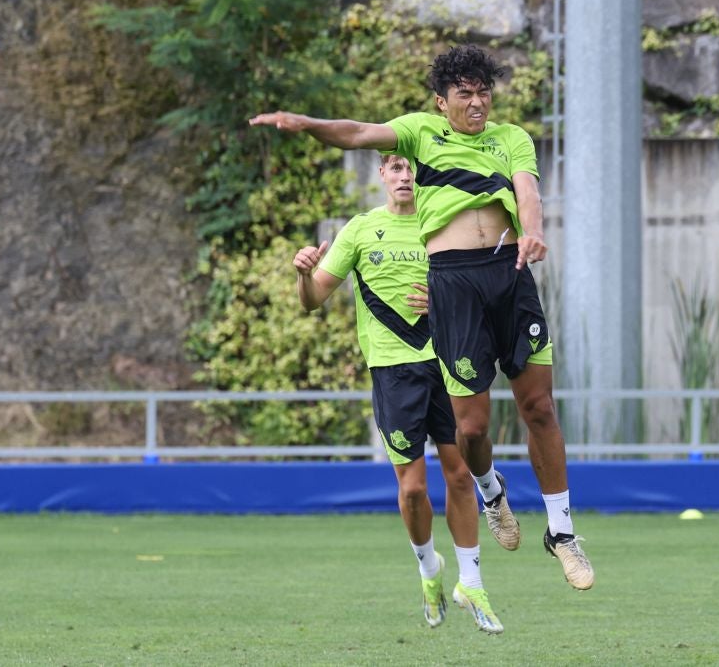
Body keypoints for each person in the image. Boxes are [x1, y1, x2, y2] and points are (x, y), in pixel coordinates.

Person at [250, 44, 594, 593]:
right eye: (466, 93)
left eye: (485, 92)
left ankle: (562, 531)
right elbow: (357, 132)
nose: (478, 102)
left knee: (539, 405)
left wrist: (533, 229)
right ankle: (491, 491)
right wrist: (306, 123)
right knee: (473, 429)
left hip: (509, 272)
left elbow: (527, 191)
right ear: (442, 101)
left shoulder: (511, 139)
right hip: (453, 284)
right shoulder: (419, 133)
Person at [292, 153, 503, 633]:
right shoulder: (362, 230)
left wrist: (450, 297)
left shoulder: (444, 224)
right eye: (395, 168)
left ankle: (472, 581)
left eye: (412, 168)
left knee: (459, 473)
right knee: (411, 490)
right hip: (393, 373)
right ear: (382, 176)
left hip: (446, 361)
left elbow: (487, 290)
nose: (405, 176)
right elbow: (313, 300)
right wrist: (304, 273)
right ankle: (429, 568)